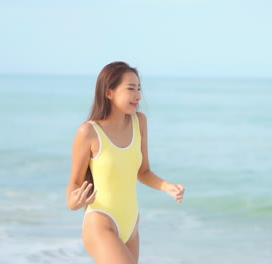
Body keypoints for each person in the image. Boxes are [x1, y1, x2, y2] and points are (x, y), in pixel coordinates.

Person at [66, 61, 185, 264]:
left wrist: (168, 187)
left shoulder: (140, 122)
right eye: (130, 89)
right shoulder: (89, 132)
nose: (138, 96)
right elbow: (75, 184)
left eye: (139, 88)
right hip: (101, 222)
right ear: (109, 92)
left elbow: (144, 171)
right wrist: (75, 202)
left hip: (131, 225)